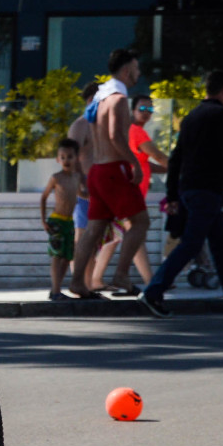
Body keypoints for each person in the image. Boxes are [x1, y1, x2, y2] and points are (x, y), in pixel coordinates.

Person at [139, 70, 223, 317]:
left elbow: (176, 159)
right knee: (191, 244)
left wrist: (174, 195)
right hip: (206, 193)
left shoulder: (191, 118)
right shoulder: (220, 114)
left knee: (221, 246)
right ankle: (153, 293)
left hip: (192, 192)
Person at [68, 49, 150, 298]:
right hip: (114, 170)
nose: (138, 73)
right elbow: (115, 136)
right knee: (140, 222)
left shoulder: (99, 99)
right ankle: (121, 275)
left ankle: (77, 283)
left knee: (93, 229)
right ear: (126, 71)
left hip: (98, 172)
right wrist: (134, 162)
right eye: (136, 69)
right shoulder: (118, 99)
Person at [90, 93, 168, 290]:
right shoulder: (137, 132)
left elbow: (145, 163)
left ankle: (98, 279)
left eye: (150, 109)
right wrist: (182, 168)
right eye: (142, 109)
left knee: (124, 236)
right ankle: (147, 282)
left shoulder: (132, 131)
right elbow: (158, 155)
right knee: (130, 234)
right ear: (133, 110)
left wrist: (168, 169)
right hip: (128, 192)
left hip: (128, 192)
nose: (147, 113)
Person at [39, 138, 84, 300]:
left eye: (70, 156)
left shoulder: (77, 177)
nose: (66, 160)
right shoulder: (56, 177)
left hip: (69, 222)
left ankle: (57, 289)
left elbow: (80, 194)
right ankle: (55, 290)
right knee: (57, 255)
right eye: (63, 157)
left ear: (76, 158)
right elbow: (44, 197)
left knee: (67, 257)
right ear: (58, 159)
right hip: (56, 220)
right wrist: (44, 220)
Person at [66, 82, 98, 254]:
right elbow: (71, 157)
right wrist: (79, 184)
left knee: (98, 238)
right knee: (83, 235)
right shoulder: (80, 125)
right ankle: (78, 279)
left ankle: (92, 279)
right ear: (92, 100)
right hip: (84, 189)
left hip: (100, 189)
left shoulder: (102, 125)